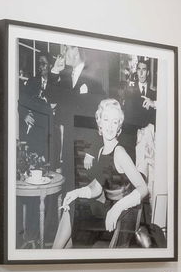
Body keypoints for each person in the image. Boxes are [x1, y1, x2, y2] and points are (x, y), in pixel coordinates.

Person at [54, 97, 153, 249]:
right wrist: (76, 192)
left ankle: (54, 255)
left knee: (75, 215)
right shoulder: (101, 150)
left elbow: (143, 189)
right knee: (74, 207)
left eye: (115, 122)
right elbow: (98, 187)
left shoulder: (119, 152)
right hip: (109, 209)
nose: (110, 126)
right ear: (99, 122)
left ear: (119, 126)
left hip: (124, 215)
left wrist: (117, 208)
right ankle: (57, 255)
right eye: (106, 120)